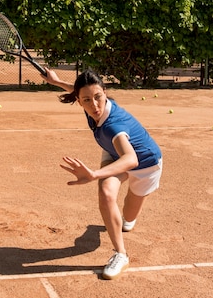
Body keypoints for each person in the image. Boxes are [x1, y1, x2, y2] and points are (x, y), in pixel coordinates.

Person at [42, 68, 163, 280]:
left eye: (98, 97)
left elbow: (131, 160)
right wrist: (57, 81)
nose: (94, 105)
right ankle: (121, 255)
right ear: (79, 101)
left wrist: (94, 174)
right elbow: (78, 90)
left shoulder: (112, 126)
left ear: (105, 92)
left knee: (128, 219)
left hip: (145, 164)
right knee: (107, 193)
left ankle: (123, 220)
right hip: (114, 152)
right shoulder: (89, 102)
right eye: (87, 100)